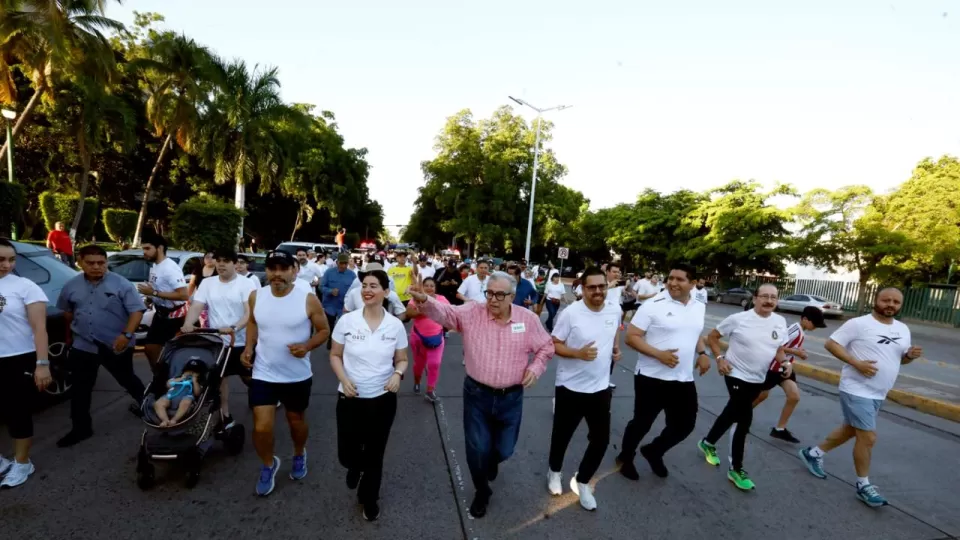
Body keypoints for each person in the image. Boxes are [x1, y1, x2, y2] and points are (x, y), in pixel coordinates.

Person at [408, 271, 555, 519]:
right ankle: (482, 490)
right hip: (477, 394)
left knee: (505, 449)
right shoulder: (472, 312)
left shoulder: (527, 319)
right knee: (476, 449)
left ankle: (492, 462)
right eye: (490, 293)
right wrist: (424, 299)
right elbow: (446, 314)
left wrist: (535, 367)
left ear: (512, 296)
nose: (493, 299)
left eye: (500, 294)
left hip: (511, 397)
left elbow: (546, 346)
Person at [799, 288, 922, 507]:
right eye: (886, 300)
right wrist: (856, 363)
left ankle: (813, 453)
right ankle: (863, 485)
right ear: (876, 300)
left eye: (896, 301)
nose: (890, 304)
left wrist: (909, 356)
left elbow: (900, 361)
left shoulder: (902, 329)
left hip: (878, 392)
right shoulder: (859, 323)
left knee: (851, 429)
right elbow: (831, 344)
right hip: (856, 389)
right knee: (868, 437)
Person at [243, 250, 331, 496]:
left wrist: (307, 346)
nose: (277, 274)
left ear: (294, 271)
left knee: (296, 423)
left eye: (283, 269)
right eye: (272, 269)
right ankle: (269, 464)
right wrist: (249, 347)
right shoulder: (256, 296)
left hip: (296, 376)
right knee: (261, 427)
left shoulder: (307, 299)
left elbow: (324, 330)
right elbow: (252, 322)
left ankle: (299, 452)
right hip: (264, 373)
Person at [616, 264, 710, 480]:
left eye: (680, 279)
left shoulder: (698, 306)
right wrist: (659, 354)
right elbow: (632, 337)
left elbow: (696, 332)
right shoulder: (653, 305)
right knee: (642, 423)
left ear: (693, 284)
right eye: (671, 278)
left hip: (683, 378)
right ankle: (625, 457)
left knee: (685, 425)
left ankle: (654, 451)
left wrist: (703, 353)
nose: (673, 283)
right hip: (651, 378)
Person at [330, 269, 409, 521]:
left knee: (375, 452)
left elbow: (402, 359)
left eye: (374, 286)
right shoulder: (347, 321)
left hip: (382, 399)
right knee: (347, 453)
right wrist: (344, 379)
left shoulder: (395, 325)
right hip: (350, 398)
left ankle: (370, 497)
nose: (367, 290)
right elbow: (334, 355)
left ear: (386, 292)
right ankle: (354, 465)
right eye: (364, 285)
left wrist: (397, 374)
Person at [698, 284, 789, 491]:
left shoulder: (780, 321)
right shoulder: (739, 319)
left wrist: (785, 363)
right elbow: (712, 337)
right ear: (755, 298)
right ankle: (736, 468)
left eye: (773, 297)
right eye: (764, 296)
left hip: (757, 378)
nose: (769, 300)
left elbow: (779, 349)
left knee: (731, 412)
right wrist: (719, 358)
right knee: (744, 419)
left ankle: (708, 442)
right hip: (734, 373)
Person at [56, 244, 148, 447]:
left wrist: (126, 335)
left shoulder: (120, 284)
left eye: (101, 263)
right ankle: (81, 429)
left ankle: (148, 408)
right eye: (90, 263)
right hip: (84, 344)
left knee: (127, 379)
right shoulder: (71, 285)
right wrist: (71, 336)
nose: (96, 267)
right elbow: (67, 311)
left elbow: (137, 312)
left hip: (116, 344)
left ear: (106, 262)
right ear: (80, 262)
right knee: (80, 388)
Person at [546, 267, 621, 510]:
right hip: (570, 386)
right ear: (583, 288)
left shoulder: (614, 309)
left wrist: (615, 349)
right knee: (562, 435)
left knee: (601, 440)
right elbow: (554, 344)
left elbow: (613, 334)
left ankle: (583, 480)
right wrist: (577, 353)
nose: (598, 291)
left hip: (600, 388)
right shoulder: (571, 314)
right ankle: (554, 472)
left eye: (602, 286)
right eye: (592, 287)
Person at [180, 249, 258, 431]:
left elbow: (249, 312)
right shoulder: (207, 283)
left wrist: (234, 328)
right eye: (218, 261)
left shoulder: (246, 284)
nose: (221, 264)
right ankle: (225, 415)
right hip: (216, 341)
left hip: (239, 340)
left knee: (248, 377)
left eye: (226, 261)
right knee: (220, 377)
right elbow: (197, 306)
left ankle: (261, 392)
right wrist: (188, 324)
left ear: (234, 263)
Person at [0, 238, 53, 488]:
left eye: (11, 260)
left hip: (18, 357)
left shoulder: (25, 286)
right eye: (1, 260)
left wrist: (42, 364)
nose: (7, 265)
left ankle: (22, 463)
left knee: (17, 412)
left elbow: (40, 329)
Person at [747, 306, 825, 446]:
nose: (815, 327)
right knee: (761, 396)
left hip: (785, 369)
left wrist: (797, 352)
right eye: (814, 324)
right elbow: (776, 345)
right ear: (805, 319)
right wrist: (797, 353)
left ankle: (780, 429)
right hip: (773, 368)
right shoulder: (794, 330)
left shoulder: (801, 331)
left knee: (794, 396)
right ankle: (739, 416)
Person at [137, 234, 189, 368]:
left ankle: (167, 379)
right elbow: (159, 289)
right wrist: (150, 298)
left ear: (159, 248)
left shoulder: (169, 268)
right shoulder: (155, 266)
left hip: (174, 316)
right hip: (160, 313)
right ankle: (160, 379)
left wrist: (153, 293)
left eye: (148, 248)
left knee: (159, 350)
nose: (144, 252)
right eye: (143, 249)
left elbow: (183, 295)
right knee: (150, 349)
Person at [405, 277, 448, 402]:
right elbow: (409, 313)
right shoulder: (416, 298)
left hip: (437, 337)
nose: (429, 288)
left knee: (435, 364)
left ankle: (430, 390)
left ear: (435, 288)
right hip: (418, 338)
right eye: (427, 285)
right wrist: (425, 310)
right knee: (419, 364)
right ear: (422, 287)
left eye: (432, 286)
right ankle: (417, 381)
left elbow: (449, 313)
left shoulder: (442, 299)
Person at [321, 253, 357, 350]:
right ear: (337, 263)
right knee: (330, 325)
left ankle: (340, 344)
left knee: (344, 326)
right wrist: (330, 291)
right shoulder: (329, 273)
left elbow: (355, 290)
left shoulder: (352, 275)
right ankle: (330, 338)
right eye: (341, 263)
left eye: (346, 263)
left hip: (344, 306)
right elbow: (321, 287)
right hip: (330, 305)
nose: (343, 266)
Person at [153, 359, 205, 427]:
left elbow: (197, 393)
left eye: (194, 372)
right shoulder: (178, 378)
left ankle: (174, 419)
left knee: (186, 402)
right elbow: (168, 384)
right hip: (170, 396)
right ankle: (165, 420)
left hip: (186, 397)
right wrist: (181, 378)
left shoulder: (198, 382)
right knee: (158, 404)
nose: (191, 373)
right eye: (189, 371)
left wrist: (195, 381)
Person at [187, 251, 217, 328]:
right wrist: (187, 298)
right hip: (198, 300)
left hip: (212, 302)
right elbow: (192, 284)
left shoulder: (219, 271)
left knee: (206, 324)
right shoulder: (198, 270)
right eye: (207, 257)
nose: (209, 259)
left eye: (212, 257)